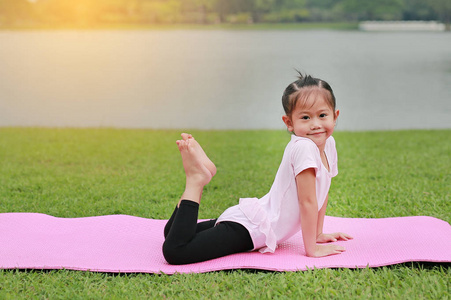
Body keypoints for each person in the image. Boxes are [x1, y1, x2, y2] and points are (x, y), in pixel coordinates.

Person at [162, 73, 353, 265]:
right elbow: (308, 202)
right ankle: (196, 180)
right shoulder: (305, 147)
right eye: (305, 117)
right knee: (176, 250)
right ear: (289, 123)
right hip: (253, 230)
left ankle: (202, 173)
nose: (316, 125)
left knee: (172, 233)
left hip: (255, 218)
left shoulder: (328, 144)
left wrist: (318, 233)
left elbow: (322, 191)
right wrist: (312, 248)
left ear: (334, 116)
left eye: (322, 115)